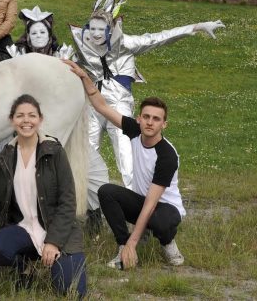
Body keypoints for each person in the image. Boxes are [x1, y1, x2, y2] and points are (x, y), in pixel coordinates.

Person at [71, 0, 224, 227]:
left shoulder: (127, 44)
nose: (97, 34)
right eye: (93, 28)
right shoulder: (83, 48)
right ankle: (92, 212)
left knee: (127, 162)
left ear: (111, 30)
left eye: (102, 29)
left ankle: (142, 219)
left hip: (119, 109)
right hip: (92, 106)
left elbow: (161, 37)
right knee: (87, 158)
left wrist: (196, 27)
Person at [64, 59, 186, 269]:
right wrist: (85, 77)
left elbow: (151, 204)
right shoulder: (135, 130)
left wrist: (134, 242)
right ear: (138, 119)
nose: (150, 122)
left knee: (159, 222)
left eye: (156, 119)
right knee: (106, 191)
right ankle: (121, 246)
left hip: (166, 208)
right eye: (146, 116)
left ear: (164, 124)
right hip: (142, 201)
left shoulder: (167, 155)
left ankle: (167, 242)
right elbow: (102, 106)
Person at [0, 94, 87, 298]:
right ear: (12, 120)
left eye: (32, 115)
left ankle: (55, 260)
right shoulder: (6, 155)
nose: (26, 120)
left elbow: (68, 202)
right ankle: (25, 268)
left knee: (72, 291)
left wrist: (54, 242)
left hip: (56, 230)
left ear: (40, 119)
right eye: (20, 115)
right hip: (24, 228)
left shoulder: (54, 152)